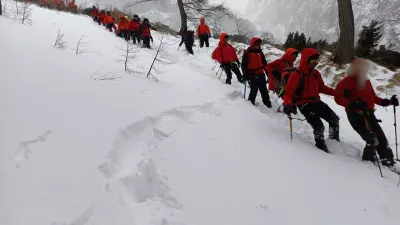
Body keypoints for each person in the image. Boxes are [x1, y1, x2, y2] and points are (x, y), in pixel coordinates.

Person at [335, 58, 400, 172]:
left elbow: (374, 98)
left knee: (382, 139)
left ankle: (388, 162)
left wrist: (389, 102)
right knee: (372, 140)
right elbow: (338, 98)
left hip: (369, 114)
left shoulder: (366, 81)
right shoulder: (345, 82)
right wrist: (353, 104)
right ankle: (368, 165)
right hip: (355, 116)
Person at [283, 48, 339, 152]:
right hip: (304, 104)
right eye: (313, 61)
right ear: (306, 60)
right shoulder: (296, 74)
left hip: (316, 102)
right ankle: (321, 149)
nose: (315, 63)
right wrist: (287, 105)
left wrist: (337, 93)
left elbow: (322, 88)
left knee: (334, 119)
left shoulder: (315, 73)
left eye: (317, 61)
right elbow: (288, 93)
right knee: (319, 127)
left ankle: (334, 142)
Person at [241, 37, 272, 108]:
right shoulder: (247, 52)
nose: (258, 45)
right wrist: (245, 76)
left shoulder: (260, 53)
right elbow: (243, 65)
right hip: (252, 75)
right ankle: (250, 105)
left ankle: (268, 104)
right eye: (257, 43)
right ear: (253, 43)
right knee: (254, 90)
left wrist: (268, 74)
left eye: (259, 44)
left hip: (261, 74)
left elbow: (265, 64)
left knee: (264, 90)